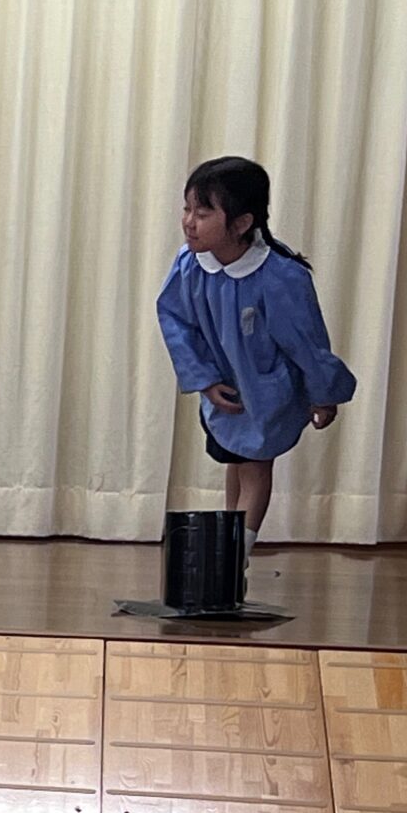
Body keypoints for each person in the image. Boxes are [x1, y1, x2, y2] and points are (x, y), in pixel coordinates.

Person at [156, 155, 355, 556]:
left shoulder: (280, 277)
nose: (189, 222)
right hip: (225, 390)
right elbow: (175, 320)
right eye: (187, 209)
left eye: (203, 213)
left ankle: (235, 558)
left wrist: (324, 394)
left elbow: (307, 344)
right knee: (236, 460)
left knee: (255, 468)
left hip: (267, 393)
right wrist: (204, 379)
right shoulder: (190, 264)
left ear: (242, 222)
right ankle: (229, 554)